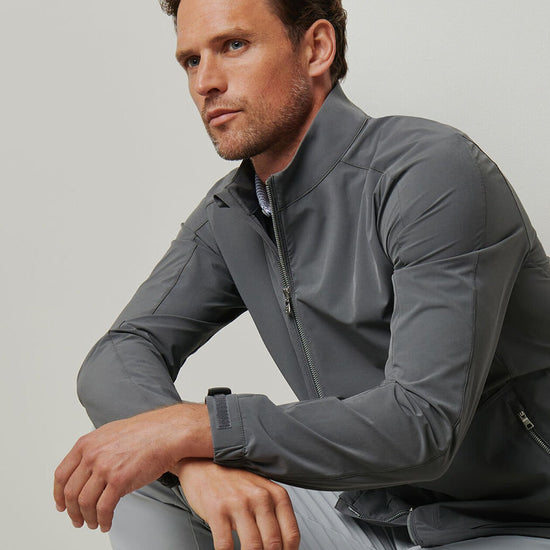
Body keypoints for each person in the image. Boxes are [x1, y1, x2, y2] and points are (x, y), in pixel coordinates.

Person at [54, 0, 550, 548]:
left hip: (516, 522)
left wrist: (198, 428)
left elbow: (421, 425)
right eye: (191, 61)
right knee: (138, 473)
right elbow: (119, 352)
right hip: (378, 514)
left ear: (316, 48)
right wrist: (190, 463)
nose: (205, 82)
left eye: (234, 45)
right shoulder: (235, 214)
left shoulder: (429, 174)